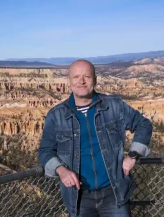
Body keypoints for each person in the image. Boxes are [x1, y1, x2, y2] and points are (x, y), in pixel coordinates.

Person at [38, 59, 153, 216]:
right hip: (78, 196)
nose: (82, 81)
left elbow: (143, 124)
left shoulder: (114, 105)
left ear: (95, 80)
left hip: (114, 193)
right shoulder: (56, 115)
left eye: (87, 76)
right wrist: (61, 170)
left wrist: (133, 156)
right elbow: (45, 151)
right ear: (69, 82)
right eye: (76, 77)